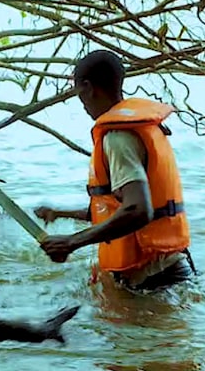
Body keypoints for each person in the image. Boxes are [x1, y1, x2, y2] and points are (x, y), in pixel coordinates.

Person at [34, 49, 196, 292]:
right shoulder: (137, 129)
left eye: (79, 93)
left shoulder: (117, 138)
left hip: (153, 279)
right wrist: (59, 213)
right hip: (166, 272)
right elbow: (116, 209)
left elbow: (138, 210)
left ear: (88, 88)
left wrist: (72, 242)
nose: (82, 104)